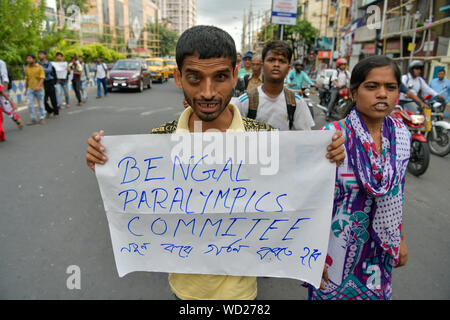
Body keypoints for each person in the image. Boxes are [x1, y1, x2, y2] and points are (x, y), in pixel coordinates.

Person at [85, 25, 346, 300]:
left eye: (220, 77)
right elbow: (134, 203)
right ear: (178, 77)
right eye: (195, 78)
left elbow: (299, 198)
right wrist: (105, 164)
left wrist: (327, 157)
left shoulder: (266, 139)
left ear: (235, 76)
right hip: (185, 292)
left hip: (242, 295)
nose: (208, 92)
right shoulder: (159, 144)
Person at [309, 56, 410, 300]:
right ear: (354, 93)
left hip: (378, 253)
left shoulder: (401, 135)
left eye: (390, 87)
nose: (382, 94)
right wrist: (310, 254)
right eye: (372, 86)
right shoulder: (331, 137)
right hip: (333, 251)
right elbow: (309, 201)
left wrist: (400, 239)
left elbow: (397, 193)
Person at [232, 40, 315, 131]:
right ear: (263, 66)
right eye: (271, 60)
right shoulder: (244, 102)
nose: (276, 64)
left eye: (282, 61)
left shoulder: (298, 103)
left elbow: (304, 139)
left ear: (288, 69)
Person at [24, 54, 46, 125]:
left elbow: (42, 78)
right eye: (27, 58)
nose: (28, 60)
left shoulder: (39, 67)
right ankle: (33, 119)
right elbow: (27, 79)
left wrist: (38, 86)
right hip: (30, 89)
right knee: (30, 104)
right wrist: (26, 89)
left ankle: (42, 118)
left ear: (34, 60)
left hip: (40, 89)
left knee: (40, 104)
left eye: (30, 58)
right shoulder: (26, 68)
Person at [38, 50, 59, 118]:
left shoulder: (49, 63)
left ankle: (56, 112)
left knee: (53, 98)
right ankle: (49, 110)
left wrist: (40, 69)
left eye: (41, 54)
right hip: (42, 82)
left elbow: (49, 70)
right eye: (39, 54)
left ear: (45, 55)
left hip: (50, 82)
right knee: (43, 99)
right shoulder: (38, 64)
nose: (39, 55)